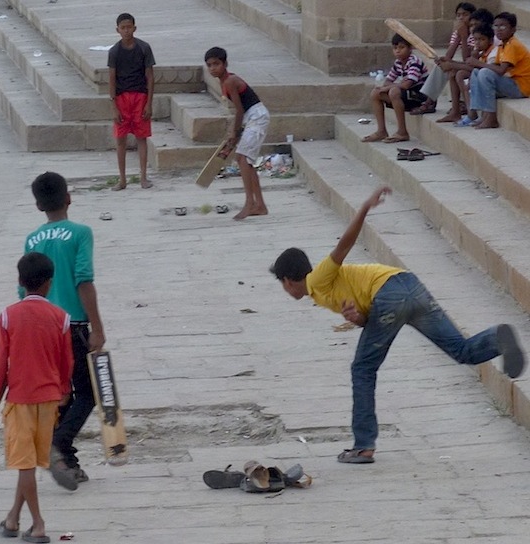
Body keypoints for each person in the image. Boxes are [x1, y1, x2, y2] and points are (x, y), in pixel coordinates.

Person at [270, 186, 526, 464]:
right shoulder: (323, 292)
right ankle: (497, 338)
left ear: (286, 281)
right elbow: (371, 317)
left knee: (363, 368)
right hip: (409, 286)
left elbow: (343, 245)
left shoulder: (317, 278)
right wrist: (358, 319)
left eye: (282, 285)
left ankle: (364, 446)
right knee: (460, 350)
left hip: (389, 293)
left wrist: (365, 208)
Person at [23, 171, 106, 490]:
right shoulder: (80, 233)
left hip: (42, 328)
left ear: (37, 205)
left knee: (63, 394)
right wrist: (97, 327)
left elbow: (25, 290)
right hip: (73, 326)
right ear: (68, 198)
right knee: (88, 393)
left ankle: (66, 459)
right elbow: (83, 279)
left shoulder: (31, 239)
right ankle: (58, 444)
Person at [0, 252, 74, 543]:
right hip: (49, 400)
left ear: (20, 281)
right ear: (49, 283)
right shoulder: (61, 318)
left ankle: (38, 525)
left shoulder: (9, 315)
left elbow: (0, 363)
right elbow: (66, 362)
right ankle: (12, 520)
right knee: (30, 463)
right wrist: (62, 390)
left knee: (24, 465)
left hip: (21, 399)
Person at [205, 46, 270, 220]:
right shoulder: (223, 81)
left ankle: (250, 203)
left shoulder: (230, 81)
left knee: (242, 159)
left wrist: (234, 133)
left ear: (225, 63)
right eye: (209, 65)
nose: (213, 68)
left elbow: (239, 110)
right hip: (252, 118)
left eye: (216, 64)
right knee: (244, 160)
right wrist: (237, 131)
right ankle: (260, 205)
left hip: (257, 116)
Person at [108, 13, 156, 190]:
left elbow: (150, 76)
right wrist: (113, 106)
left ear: (134, 28)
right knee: (120, 139)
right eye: (123, 28)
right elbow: (112, 78)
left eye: (129, 27)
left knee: (141, 138)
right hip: (121, 98)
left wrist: (149, 103)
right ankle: (122, 179)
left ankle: (143, 177)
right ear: (118, 30)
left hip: (140, 97)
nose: (126, 31)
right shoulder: (114, 52)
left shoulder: (144, 48)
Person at [410, 2, 476, 116]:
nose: (461, 18)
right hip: (467, 64)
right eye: (458, 15)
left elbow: (467, 59)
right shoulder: (459, 32)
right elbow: (448, 56)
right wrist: (459, 37)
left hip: (474, 66)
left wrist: (464, 37)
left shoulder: (476, 32)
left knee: (454, 69)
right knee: (442, 66)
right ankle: (429, 102)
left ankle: (461, 104)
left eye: (465, 14)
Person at [361, 34, 428, 144]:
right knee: (375, 93)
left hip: (421, 97)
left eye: (402, 48)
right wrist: (389, 86)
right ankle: (381, 131)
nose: (398, 51)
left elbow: (407, 85)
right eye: (395, 48)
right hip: (408, 94)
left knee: (394, 91)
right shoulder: (398, 63)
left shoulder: (415, 62)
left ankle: (402, 132)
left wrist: (392, 86)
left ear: (410, 48)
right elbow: (388, 81)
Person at [468, 12, 530, 129]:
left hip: (521, 87)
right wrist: (478, 63)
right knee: (477, 72)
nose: (498, 30)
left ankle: (491, 117)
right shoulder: (503, 45)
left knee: (484, 72)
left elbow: (501, 70)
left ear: (513, 29)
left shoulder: (513, 45)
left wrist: (478, 63)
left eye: (503, 27)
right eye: (496, 26)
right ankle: (482, 114)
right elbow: (495, 66)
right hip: (511, 83)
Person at [433, 8, 495, 123]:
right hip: (480, 70)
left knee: (460, 73)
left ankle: (471, 112)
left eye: (476, 24)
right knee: (452, 72)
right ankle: (455, 112)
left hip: (488, 75)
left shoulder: (487, 39)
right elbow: (469, 61)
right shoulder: (477, 38)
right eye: (471, 25)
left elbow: (473, 65)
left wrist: (464, 38)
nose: (472, 28)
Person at [454, 22, 497, 126]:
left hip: (495, 83)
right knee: (465, 78)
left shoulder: (493, 53)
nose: (478, 43)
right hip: (485, 80)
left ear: (490, 40)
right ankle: (471, 113)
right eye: (476, 40)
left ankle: (482, 115)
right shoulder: (481, 53)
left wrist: (476, 62)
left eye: (482, 40)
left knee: (474, 77)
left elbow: (488, 72)